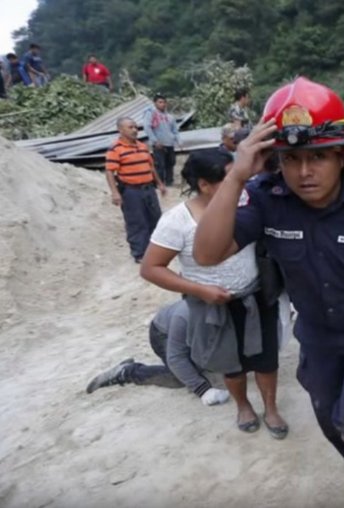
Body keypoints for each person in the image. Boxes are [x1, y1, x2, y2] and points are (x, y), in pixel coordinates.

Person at [193, 78, 344, 507]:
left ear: (342, 155)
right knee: (330, 421)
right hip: (317, 334)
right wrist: (238, 175)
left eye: (317, 157)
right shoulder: (267, 199)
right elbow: (206, 253)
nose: (303, 172)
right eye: (291, 158)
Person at [140, 148, 286, 438]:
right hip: (212, 305)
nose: (239, 181)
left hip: (256, 296)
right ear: (204, 185)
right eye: (229, 176)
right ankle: (243, 406)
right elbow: (151, 268)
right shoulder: (177, 221)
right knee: (231, 364)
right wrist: (198, 289)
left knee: (266, 358)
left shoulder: (244, 202)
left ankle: (271, 408)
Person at [84, 300, 232, 406]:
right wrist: (203, 390)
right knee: (181, 377)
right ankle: (127, 372)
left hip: (193, 333)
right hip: (162, 335)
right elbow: (176, 358)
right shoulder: (185, 317)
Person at [104, 117, 166, 263]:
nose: (134, 130)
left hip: (149, 189)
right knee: (137, 222)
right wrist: (115, 193)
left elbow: (150, 167)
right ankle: (140, 254)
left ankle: (155, 251)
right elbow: (109, 172)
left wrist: (159, 184)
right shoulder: (115, 149)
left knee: (155, 219)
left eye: (135, 127)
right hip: (131, 192)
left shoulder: (142, 146)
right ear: (120, 130)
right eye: (130, 127)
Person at [143, 93, 180, 186]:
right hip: (159, 144)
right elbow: (147, 127)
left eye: (164, 102)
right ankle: (158, 183)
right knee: (159, 165)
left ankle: (169, 182)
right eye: (160, 102)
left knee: (170, 163)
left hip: (170, 144)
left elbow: (175, 130)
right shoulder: (151, 113)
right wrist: (155, 141)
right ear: (155, 103)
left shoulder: (170, 117)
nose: (163, 104)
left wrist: (178, 141)